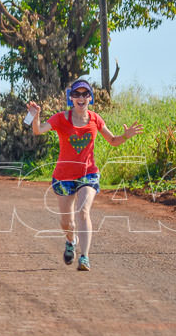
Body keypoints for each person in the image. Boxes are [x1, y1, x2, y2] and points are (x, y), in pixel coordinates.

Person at [26, 78, 143, 271]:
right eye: (77, 94)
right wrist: (35, 115)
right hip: (63, 176)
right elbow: (38, 130)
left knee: (83, 211)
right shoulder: (60, 118)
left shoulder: (96, 119)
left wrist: (126, 136)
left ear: (90, 98)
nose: (81, 97)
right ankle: (71, 241)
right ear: (70, 98)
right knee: (66, 222)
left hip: (88, 174)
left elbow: (113, 140)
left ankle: (85, 257)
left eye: (85, 94)